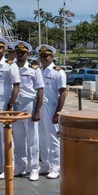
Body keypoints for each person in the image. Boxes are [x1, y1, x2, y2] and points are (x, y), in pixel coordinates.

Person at [10, 40, 43, 180]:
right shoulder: (11, 67)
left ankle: (34, 168)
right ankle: (20, 166)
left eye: (22, 53)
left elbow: (40, 90)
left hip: (29, 104)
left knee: (32, 137)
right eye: (17, 52)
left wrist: (37, 110)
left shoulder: (34, 69)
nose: (19, 54)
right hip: (15, 106)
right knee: (18, 138)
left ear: (27, 54)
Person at [0, 37, 20, 178]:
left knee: (6, 137)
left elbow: (16, 86)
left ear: (4, 50)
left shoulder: (10, 65)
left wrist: (10, 105)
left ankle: (8, 166)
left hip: (4, 104)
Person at [37, 44, 67, 179]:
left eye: (46, 56)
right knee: (42, 138)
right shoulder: (39, 71)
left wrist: (57, 113)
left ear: (52, 57)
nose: (43, 58)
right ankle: (45, 165)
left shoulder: (58, 72)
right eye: (41, 56)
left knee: (54, 139)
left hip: (52, 107)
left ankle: (56, 167)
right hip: (40, 107)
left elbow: (62, 94)